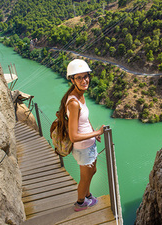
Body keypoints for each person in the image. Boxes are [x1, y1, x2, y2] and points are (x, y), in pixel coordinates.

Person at [57, 59, 105, 212]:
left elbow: (84, 119)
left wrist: (92, 132)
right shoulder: (73, 102)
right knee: (85, 177)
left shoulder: (80, 96)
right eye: (79, 77)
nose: (84, 80)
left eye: (86, 76)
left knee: (93, 171)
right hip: (83, 148)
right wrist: (97, 132)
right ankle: (80, 203)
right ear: (72, 80)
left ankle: (87, 194)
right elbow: (73, 136)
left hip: (89, 144)